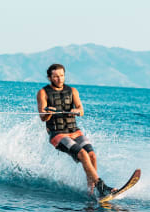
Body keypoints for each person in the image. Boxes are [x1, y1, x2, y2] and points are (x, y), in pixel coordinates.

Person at [37, 63, 116, 197]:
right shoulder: (43, 93)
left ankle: (92, 190)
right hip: (57, 134)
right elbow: (43, 117)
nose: (59, 79)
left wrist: (77, 111)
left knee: (92, 155)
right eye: (55, 77)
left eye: (62, 76)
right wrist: (49, 112)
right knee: (82, 154)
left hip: (74, 131)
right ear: (49, 78)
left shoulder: (72, 91)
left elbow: (81, 109)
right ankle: (102, 187)